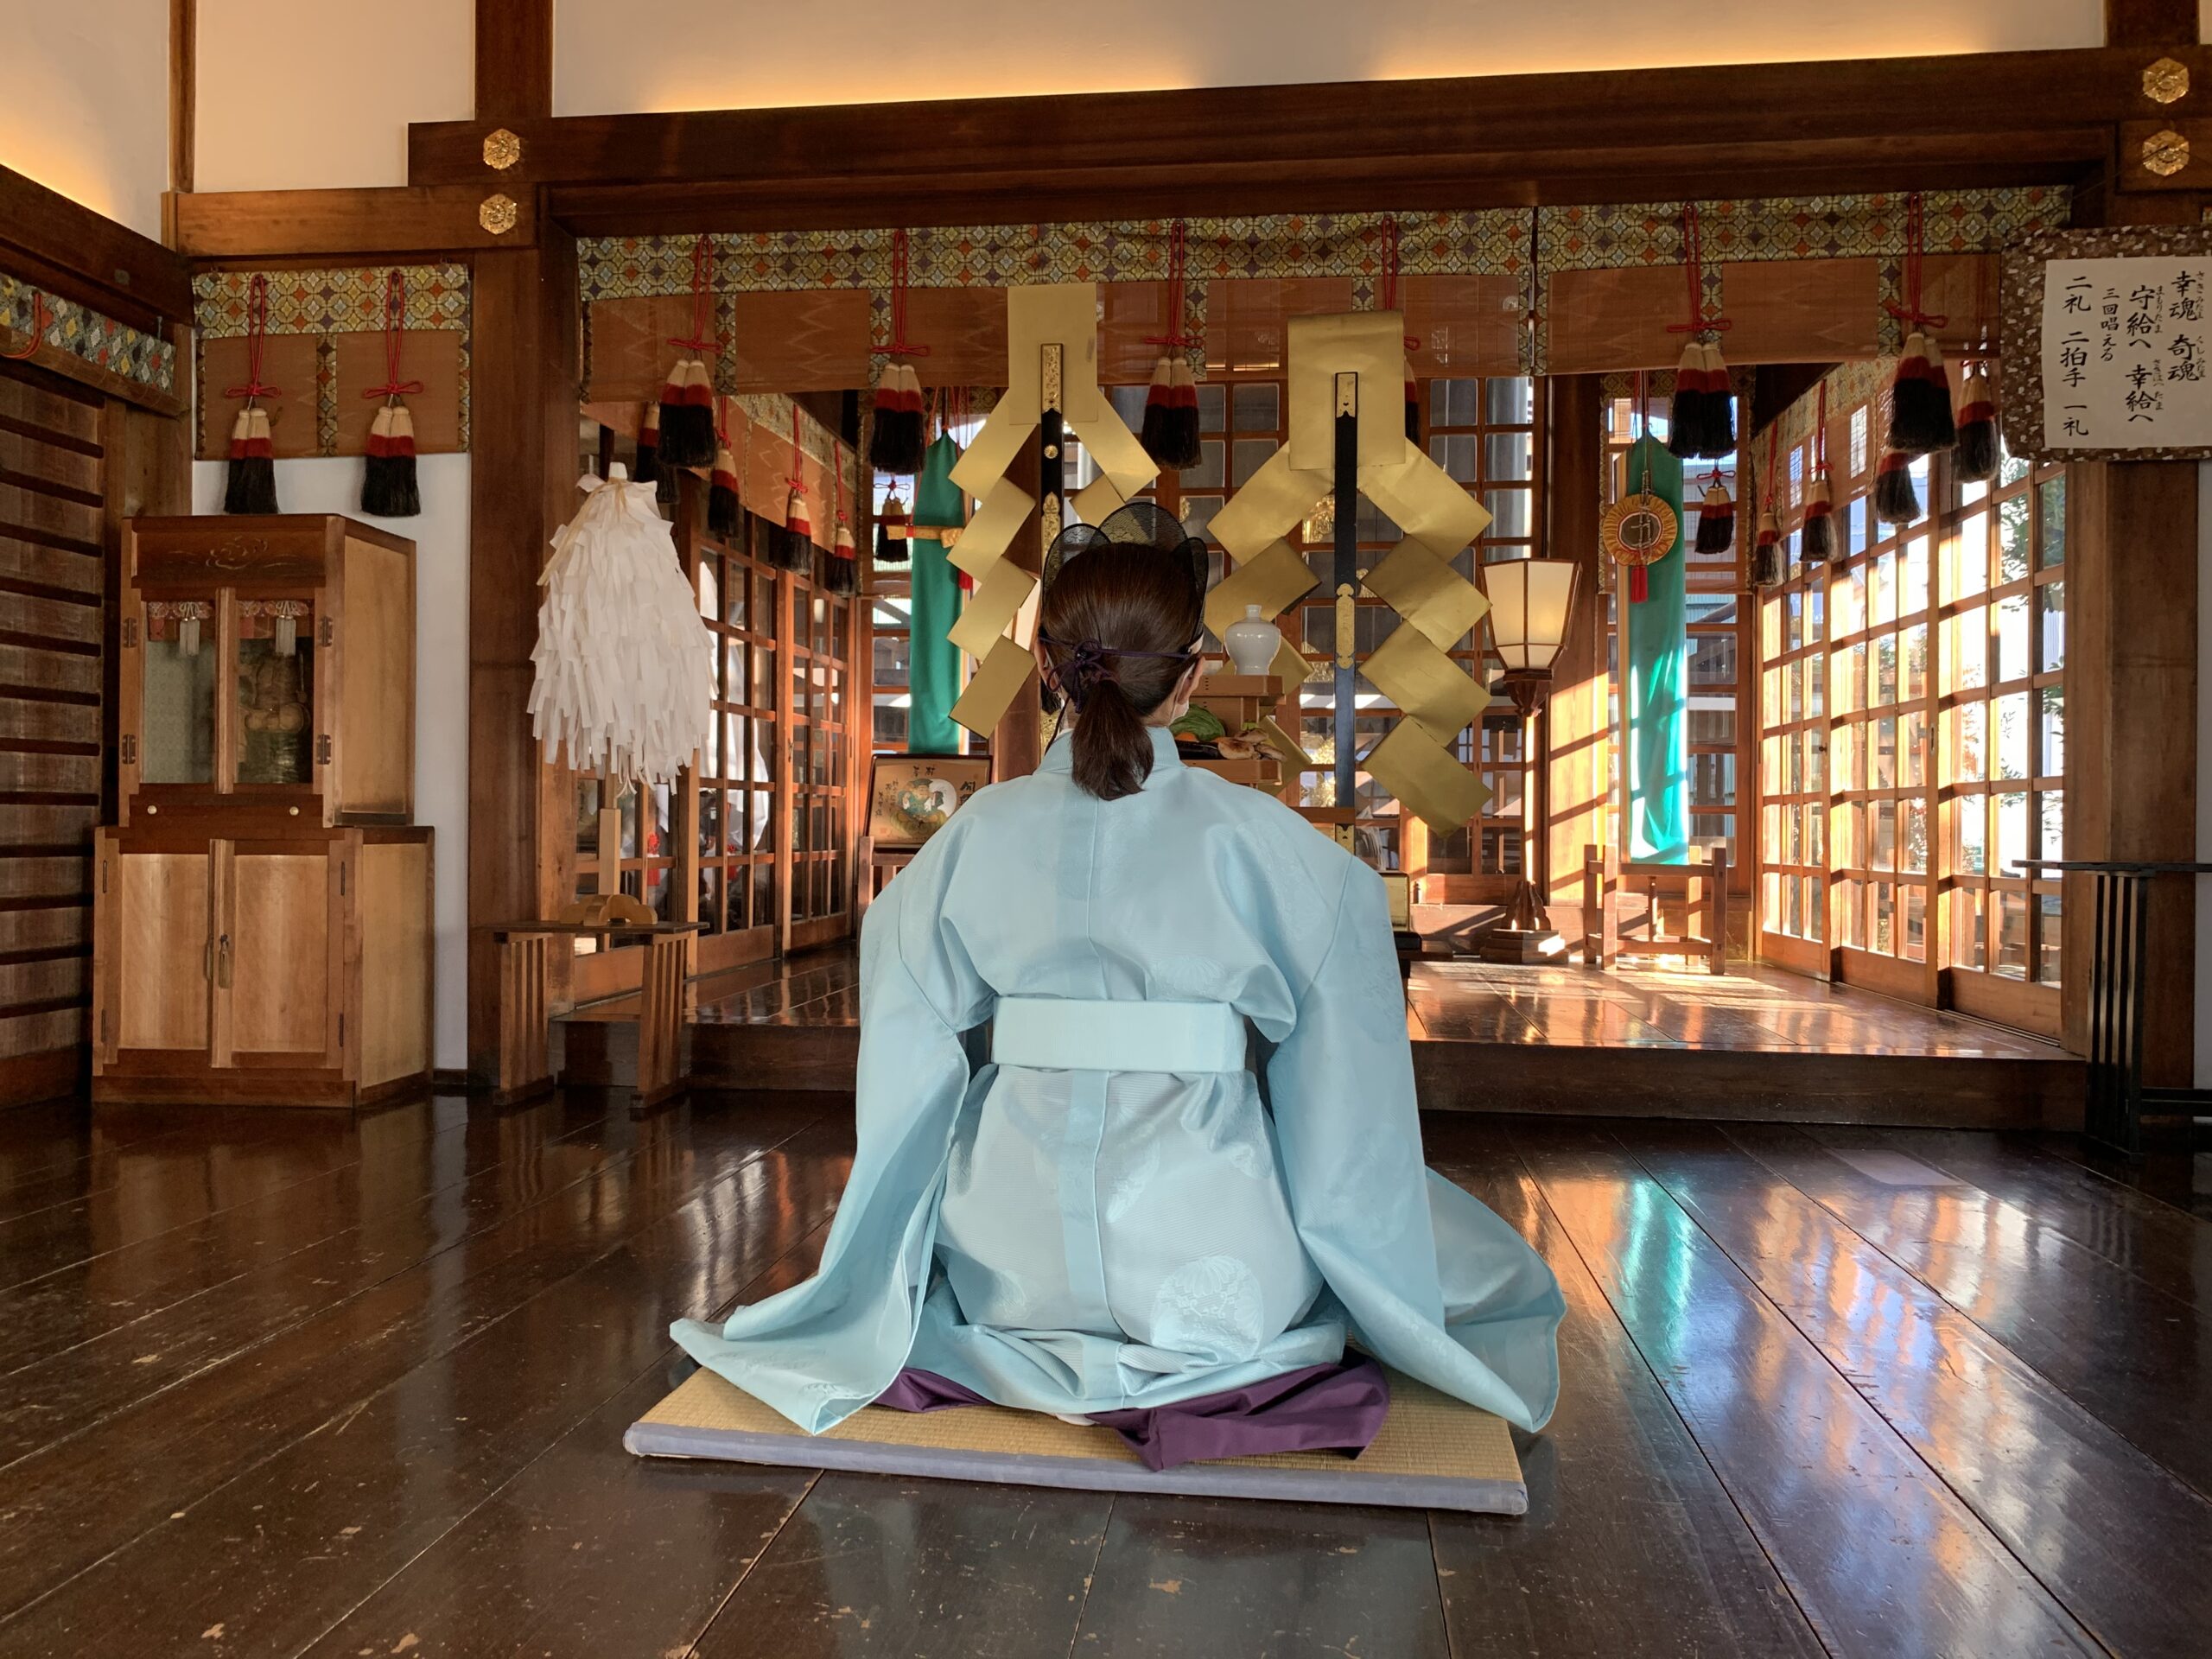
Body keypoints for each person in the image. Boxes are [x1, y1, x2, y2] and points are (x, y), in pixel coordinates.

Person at [672, 506, 1562, 1466]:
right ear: (1191, 677)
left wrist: (899, 1222)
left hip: (1009, 1264)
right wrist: (1349, 1234)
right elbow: (1348, 1077)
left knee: (986, 1212)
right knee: (1400, 1249)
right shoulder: (1263, 841)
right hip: (1209, 1254)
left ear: (1049, 669)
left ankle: (1025, 1303)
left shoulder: (975, 833)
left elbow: (905, 1038)